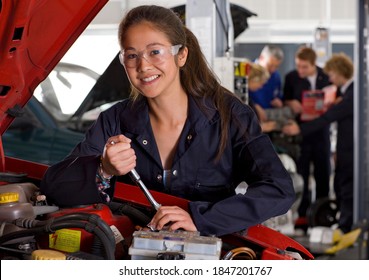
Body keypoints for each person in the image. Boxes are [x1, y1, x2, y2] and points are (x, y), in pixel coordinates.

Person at [40, 5, 295, 237]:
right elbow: (54, 186)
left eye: (155, 52)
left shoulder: (230, 115)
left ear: (181, 55)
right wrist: (103, 169)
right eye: (131, 56)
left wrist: (201, 218)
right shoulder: (114, 121)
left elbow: (278, 189)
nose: (143, 66)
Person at [283, 53, 354, 233]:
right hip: (310, 138)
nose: (330, 79)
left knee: (336, 183)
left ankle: (335, 221)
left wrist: (299, 129)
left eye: (332, 75)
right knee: (310, 176)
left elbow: (328, 117)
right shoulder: (292, 78)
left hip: (326, 138)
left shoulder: (349, 94)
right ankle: (310, 216)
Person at [283, 46, 332, 230]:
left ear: (314, 65)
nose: (300, 71)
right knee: (301, 174)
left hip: (321, 133)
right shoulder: (291, 78)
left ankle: (321, 214)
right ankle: (302, 216)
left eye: (305, 67)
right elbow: (285, 99)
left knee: (323, 174)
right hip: (300, 133)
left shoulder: (326, 78)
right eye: (298, 66)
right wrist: (290, 103)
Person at [249, 45, 284, 109]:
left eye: (276, 67)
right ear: (261, 58)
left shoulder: (276, 77)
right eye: (270, 65)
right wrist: (254, 106)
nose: (273, 70)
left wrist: (278, 101)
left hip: (269, 113)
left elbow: (278, 95)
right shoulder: (248, 71)